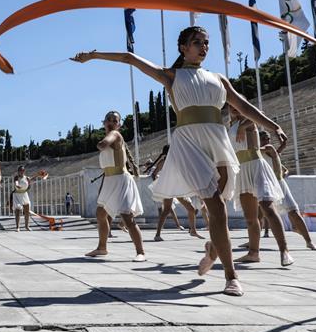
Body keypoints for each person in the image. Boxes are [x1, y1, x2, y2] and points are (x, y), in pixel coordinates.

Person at [73, 25, 287, 297]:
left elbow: (244, 106)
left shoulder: (219, 79)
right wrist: (93, 56)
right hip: (190, 144)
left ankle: (213, 249)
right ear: (183, 48)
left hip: (217, 142)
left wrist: (272, 125)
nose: (204, 47)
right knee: (217, 207)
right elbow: (130, 58)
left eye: (206, 43)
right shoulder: (172, 77)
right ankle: (231, 277)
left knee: (217, 208)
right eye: (197, 42)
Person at [227, 106, 293, 267]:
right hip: (241, 170)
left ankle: (284, 251)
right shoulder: (230, 125)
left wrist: (243, 126)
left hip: (256, 166)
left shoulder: (249, 121)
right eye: (231, 107)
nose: (234, 108)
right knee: (251, 217)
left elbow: (261, 115)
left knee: (268, 209)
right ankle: (253, 253)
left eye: (237, 105)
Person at [85, 111, 146, 261]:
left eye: (115, 120)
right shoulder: (110, 135)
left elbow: (103, 144)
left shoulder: (115, 135)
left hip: (121, 180)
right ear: (104, 122)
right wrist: (102, 188)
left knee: (127, 217)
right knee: (100, 213)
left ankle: (141, 253)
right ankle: (102, 248)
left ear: (119, 124)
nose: (111, 122)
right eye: (109, 120)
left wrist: (100, 143)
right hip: (109, 180)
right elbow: (106, 168)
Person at [259, 130, 316, 249]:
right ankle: (253, 243)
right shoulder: (260, 156)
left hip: (279, 185)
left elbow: (260, 151)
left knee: (294, 211)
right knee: (257, 216)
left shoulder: (269, 149)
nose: (267, 141)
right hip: (265, 185)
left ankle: (309, 241)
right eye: (264, 139)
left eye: (268, 138)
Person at [147, 145, 203, 240]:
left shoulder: (168, 161)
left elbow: (154, 174)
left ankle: (193, 230)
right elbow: (154, 174)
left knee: (190, 209)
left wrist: (160, 182)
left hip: (175, 188)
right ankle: (157, 234)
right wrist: (161, 183)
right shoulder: (169, 161)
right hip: (170, 188)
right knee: (167, 210)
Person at [12, 166, 33, 232]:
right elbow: (16, 183)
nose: (21, 172)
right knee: (18, 211)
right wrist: (17, 185)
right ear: (18, 171)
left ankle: (27, 226)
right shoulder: (16, 177)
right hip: (17, 194)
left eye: (22, 170)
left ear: (24, 171)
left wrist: (29, 183)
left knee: (27, 210)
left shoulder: (27, 178)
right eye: (20, 170)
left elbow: (29, 187)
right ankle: (17, 227)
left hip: (24, 194)